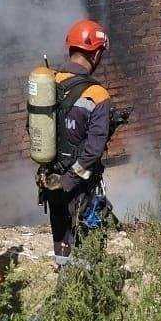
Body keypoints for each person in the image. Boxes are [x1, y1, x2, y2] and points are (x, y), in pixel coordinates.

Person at [38, 19, 114, 269]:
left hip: (50, 179)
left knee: (61, 237)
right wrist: (71, 178)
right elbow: (93, 149)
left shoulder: (49, 83)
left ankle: (64, 275)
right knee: (88, 239)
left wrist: (57, 178)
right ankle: (83, 285)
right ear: (96, 54)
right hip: (80, 186)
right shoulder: (97, 94)